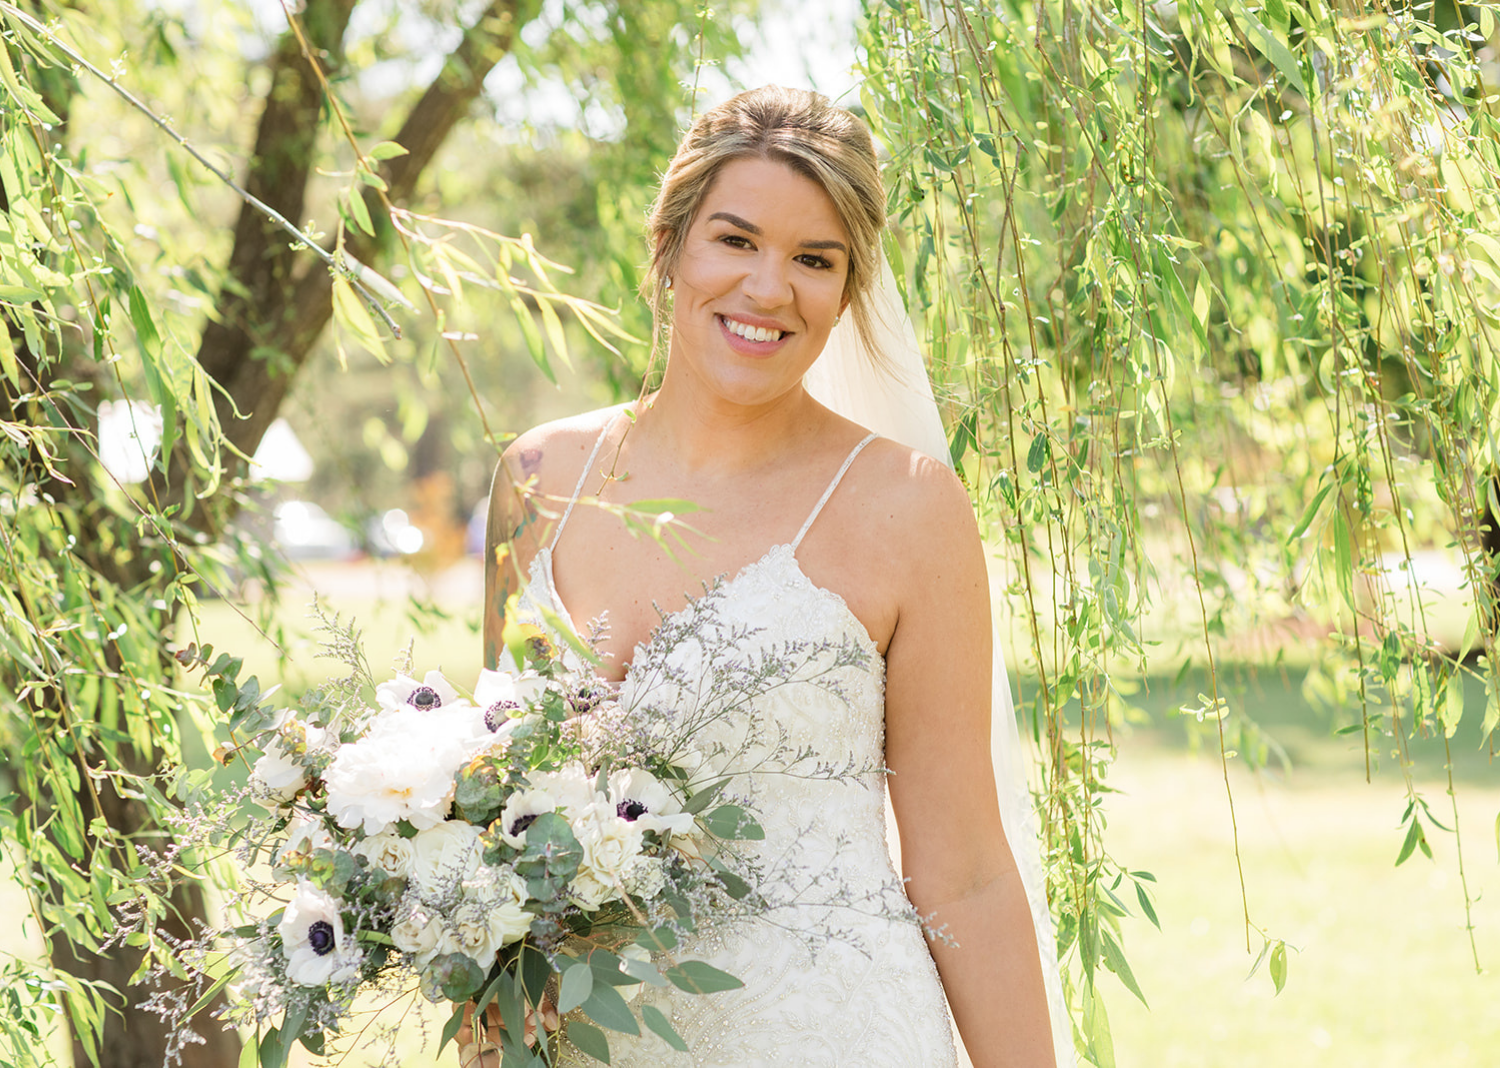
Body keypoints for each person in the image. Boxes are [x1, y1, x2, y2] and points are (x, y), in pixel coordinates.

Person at [475, 85, 1062, 1067]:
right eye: (736, 241)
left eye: (814, 260)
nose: (768, 289)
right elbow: (492, 812)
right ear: (667, 246)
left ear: (848, 287)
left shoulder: (908, 508)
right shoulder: (536, 481)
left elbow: (961, 872)